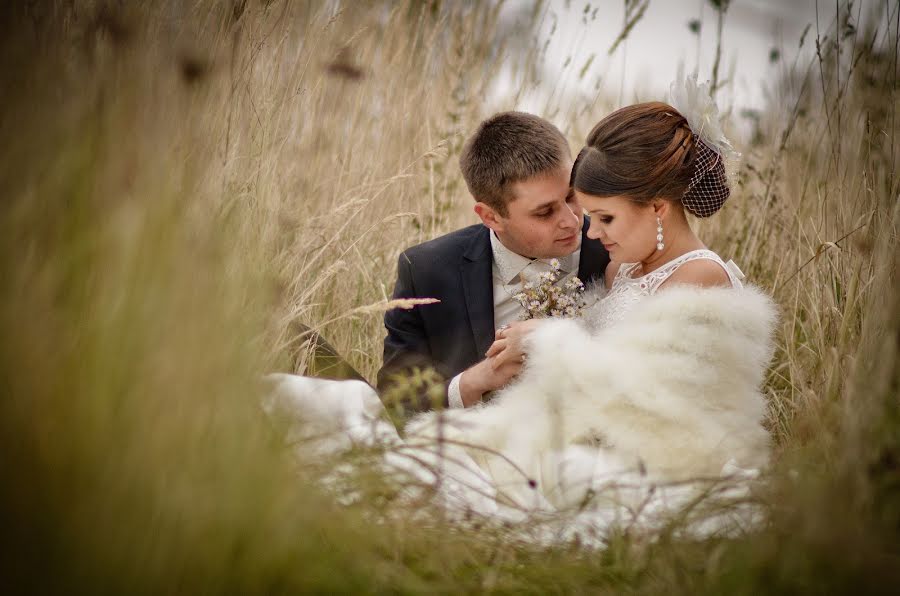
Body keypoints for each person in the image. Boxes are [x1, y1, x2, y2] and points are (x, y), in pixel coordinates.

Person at [377, 112, 609, 413]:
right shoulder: (426, 270)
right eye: (544, 212)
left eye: (571, 196)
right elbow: (395, 404)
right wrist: (473, 382)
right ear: (491, 216)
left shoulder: (615, 250)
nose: (571, 220)